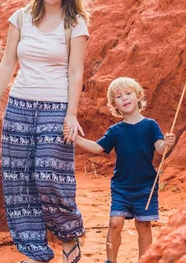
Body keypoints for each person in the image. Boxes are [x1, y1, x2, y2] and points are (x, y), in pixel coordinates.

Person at [0, 0, 90, 263]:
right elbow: (8, 62)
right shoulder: (20, 18)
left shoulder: (75, 23)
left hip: (55, 107)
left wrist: (71, 114)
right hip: (20, 105)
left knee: (48, 175)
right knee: (19, 180)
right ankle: (36, 252)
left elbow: (76, 72)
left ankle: (68, 234)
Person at [64, 77, 176, 263]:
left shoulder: (150, 125)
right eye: (118, 96)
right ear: (114, 105)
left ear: (138, 96)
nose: (124, 98)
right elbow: (98, 147)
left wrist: (168, 144)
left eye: (128, 93)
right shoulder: (116, 130)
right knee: (115, 223)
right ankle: (111, 261)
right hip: (121, 186)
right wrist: (75, 138)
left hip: (146, 185)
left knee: (143, 226)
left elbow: (160, 149)